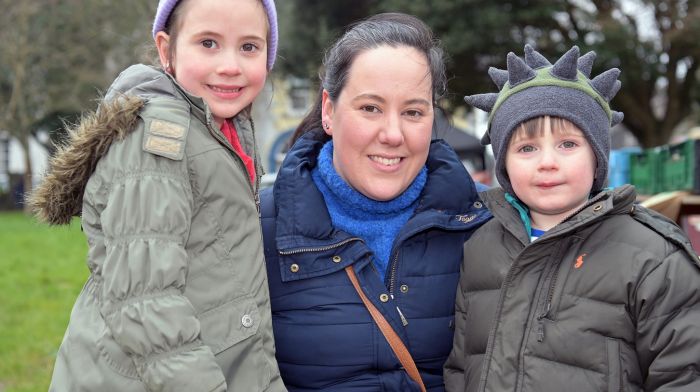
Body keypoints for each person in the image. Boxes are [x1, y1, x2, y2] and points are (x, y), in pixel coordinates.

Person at [27, 0, 286, 390]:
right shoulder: (160, 140)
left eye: (249, 47)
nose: (231, 65)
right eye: (208, 43)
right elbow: (144, 303)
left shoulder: (219, 133)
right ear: (167, 50)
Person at [444, 45, 700, 391]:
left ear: (597, 156)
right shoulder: (478, 248)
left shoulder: (655, 258)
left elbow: (684, 376)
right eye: (526, 148)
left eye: (568, 144)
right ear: (503, 164)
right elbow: (461, 367)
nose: (547, 162)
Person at [260, 13, 492, 392]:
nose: (392, 134)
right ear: (329, 111)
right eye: (370, 108)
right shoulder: (258, 227)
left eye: (413, 112)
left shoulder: (485, 221)